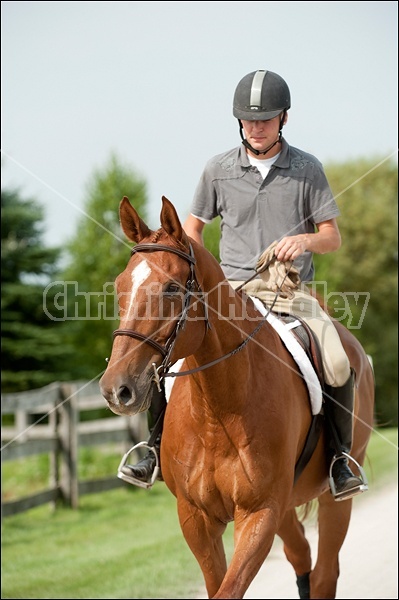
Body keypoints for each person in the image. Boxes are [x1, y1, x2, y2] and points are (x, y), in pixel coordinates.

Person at [123, 69, 367, 501]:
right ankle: (153, 451)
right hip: (230, 292)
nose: (256, 128)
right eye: (248, 120)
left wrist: (304, 239)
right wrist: (203, 278)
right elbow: (191, 233)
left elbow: (333, 236)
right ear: (239, 122)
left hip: (290, 291)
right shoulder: (217, 170)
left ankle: (340, 460)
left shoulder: (308, 169)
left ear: (284, 119)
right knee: (170, 359)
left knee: (336, 359)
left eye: (266, 119)